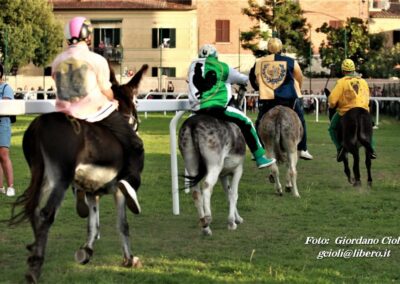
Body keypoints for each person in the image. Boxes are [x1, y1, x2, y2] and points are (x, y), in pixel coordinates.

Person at [51, 16, 143, 214]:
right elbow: (107, 92)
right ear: (88, 36)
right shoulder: (97, 59)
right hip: (96, 113)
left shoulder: (57, 61)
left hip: (66, 118)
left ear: (68, 37)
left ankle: (77, 188)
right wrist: (112, 99)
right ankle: (129, 181)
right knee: (135, 143)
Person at [188, 44, 275, 169]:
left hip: (195, 109)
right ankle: (260, 157)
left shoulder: (191, 66)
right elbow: (243, 80)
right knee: (246, 122)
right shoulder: (222, 67)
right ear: (215, 56)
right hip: (216, 107)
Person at [249, 38, 313, 160]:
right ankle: (303, 149)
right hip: (288, 100)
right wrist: (297, 89)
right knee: (301, 120)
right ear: (281, 48)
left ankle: (258, 150)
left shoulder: (259, 62)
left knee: (259, 122)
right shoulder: (291, 61)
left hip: (268, 100)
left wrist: (260, 88)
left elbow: (256, 79)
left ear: (268, 48)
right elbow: (299, 77)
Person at [328, 58, 376, 162]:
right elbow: (367, 97)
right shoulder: (363, 81)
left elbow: (332, 100)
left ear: (343, 70)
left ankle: (340, 149)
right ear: (354, 69)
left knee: (331, 129)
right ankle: (372, 149)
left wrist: (332, 106)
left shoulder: (341, 82)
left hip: (346, 111)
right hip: (363, 110)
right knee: (370, 128)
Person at [0, 64, 15, 196]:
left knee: (4, 154)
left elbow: (5, 107)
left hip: (2, 124)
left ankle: (10, 186)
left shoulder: (6, 88)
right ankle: (0, 187)